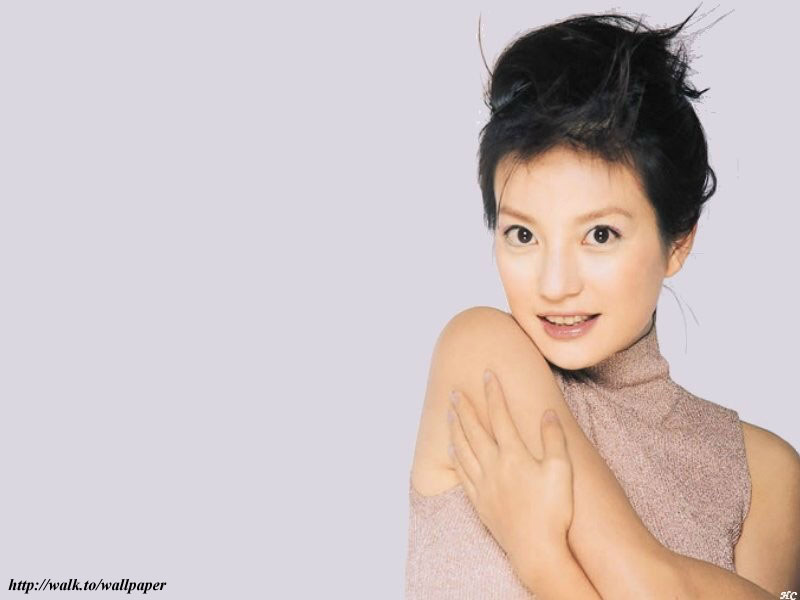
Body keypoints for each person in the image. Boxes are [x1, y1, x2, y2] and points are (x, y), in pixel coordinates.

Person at [405, 8, 800, 599]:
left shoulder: (766, 477)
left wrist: (542, 558)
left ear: (678, 242)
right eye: (522, 234)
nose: (555, 284)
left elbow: (655, 587)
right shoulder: (481, 356)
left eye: (599, 234)